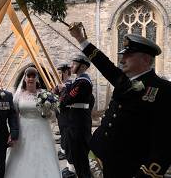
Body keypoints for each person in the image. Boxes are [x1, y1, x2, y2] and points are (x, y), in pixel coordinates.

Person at [69, 23, 171, 177]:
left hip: (127, 167)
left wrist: (149, 173)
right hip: (99, 157)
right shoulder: (123, 80)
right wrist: (80, 39)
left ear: (146, 58)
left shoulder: (164, 89)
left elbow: (164, 139)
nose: (122, 60)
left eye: (128, 55)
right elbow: (103, 64)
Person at [4, 67, 62, 178]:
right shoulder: (18, 96)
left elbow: (52, 115)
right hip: (23, 128)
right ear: (24, 79)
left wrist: (47, 111)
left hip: (41, 127)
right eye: (28, 76)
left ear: (37, 79)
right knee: (22, 154)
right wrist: (13, 132)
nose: (30, 78)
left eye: (33, 76)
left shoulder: (44, 94)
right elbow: (14, 115)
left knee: (41, 153)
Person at [60, 56, 95, 178]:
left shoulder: (83, 82)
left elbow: (67, 99)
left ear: (83, 67)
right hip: (76, 119)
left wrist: (64, 93)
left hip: (78, 122)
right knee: (76, 153)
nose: (72, 66)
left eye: (75, 64)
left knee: (80, 156)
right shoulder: (78, 81)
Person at [53, 63, 72, 161]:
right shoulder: (61, 84)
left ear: (65, 72)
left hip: (66, 113)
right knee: (62, 131)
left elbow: (64, 99)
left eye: (61, 72)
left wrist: (62, 89)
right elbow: (54, 93)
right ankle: (63, 149)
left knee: (65, 132)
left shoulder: (69, 84)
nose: (59, 74)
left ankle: (65, 151)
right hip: (60, 112)